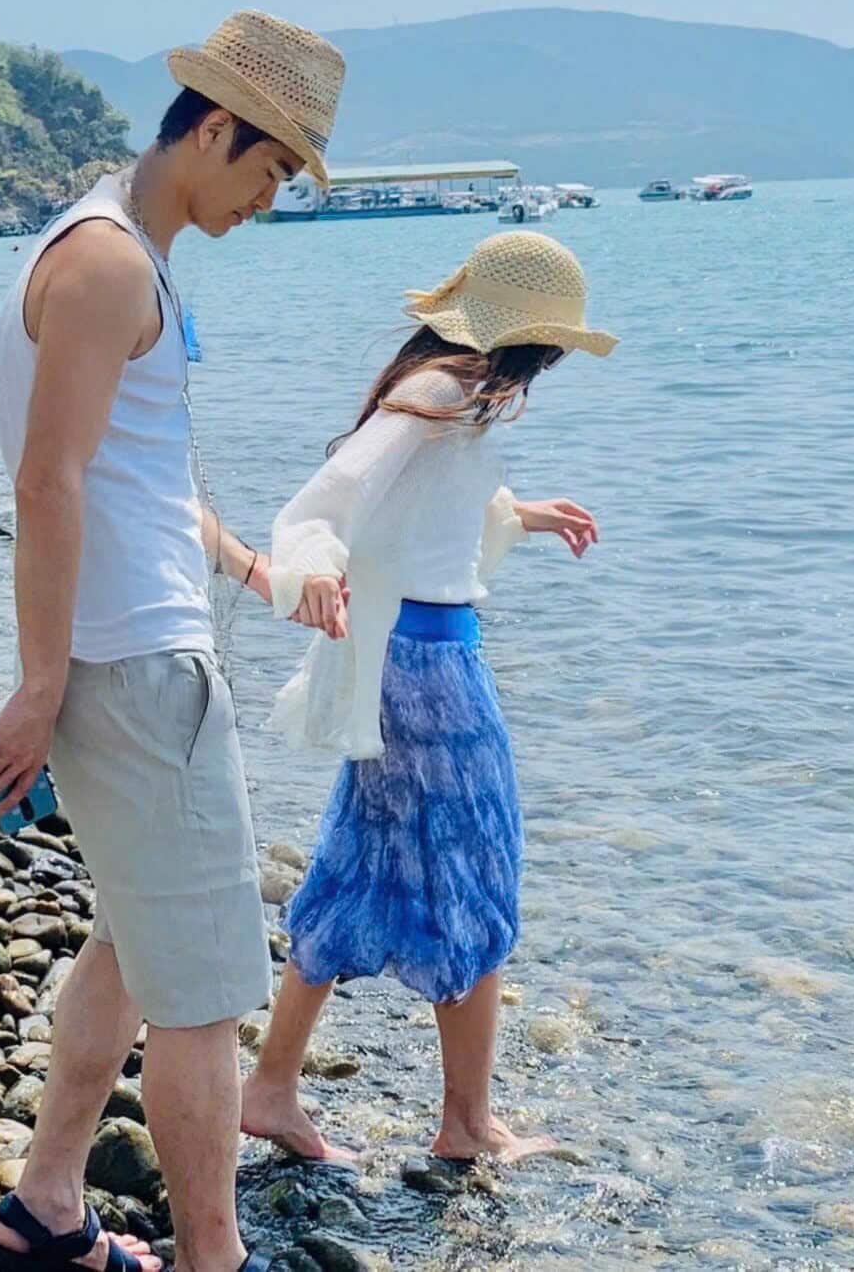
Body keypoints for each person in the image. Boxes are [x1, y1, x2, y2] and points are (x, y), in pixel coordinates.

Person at [0, 11, 346, 1272]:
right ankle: (211, 1257)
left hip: (126, 649)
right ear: (216, 128)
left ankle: (45, 1208)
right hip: (135, 665)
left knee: (136, 944)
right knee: (208, 992)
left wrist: (254, 569)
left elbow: (135, 477)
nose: (269, 198)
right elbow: (49, 481)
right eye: (270, 168)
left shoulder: (117, 248)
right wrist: (39, 684)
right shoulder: (109, 263)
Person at [241, 230, 615, 1168]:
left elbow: (426, 510)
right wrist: (312, 566)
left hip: (408, 659)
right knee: (479, 869)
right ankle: (467, 1123)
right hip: (431, 672)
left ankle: (271, 1088)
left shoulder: (466, 393)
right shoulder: (448, 389)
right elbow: (327, 499)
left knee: (358, 863)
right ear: (537, 335)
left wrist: (520, 513)